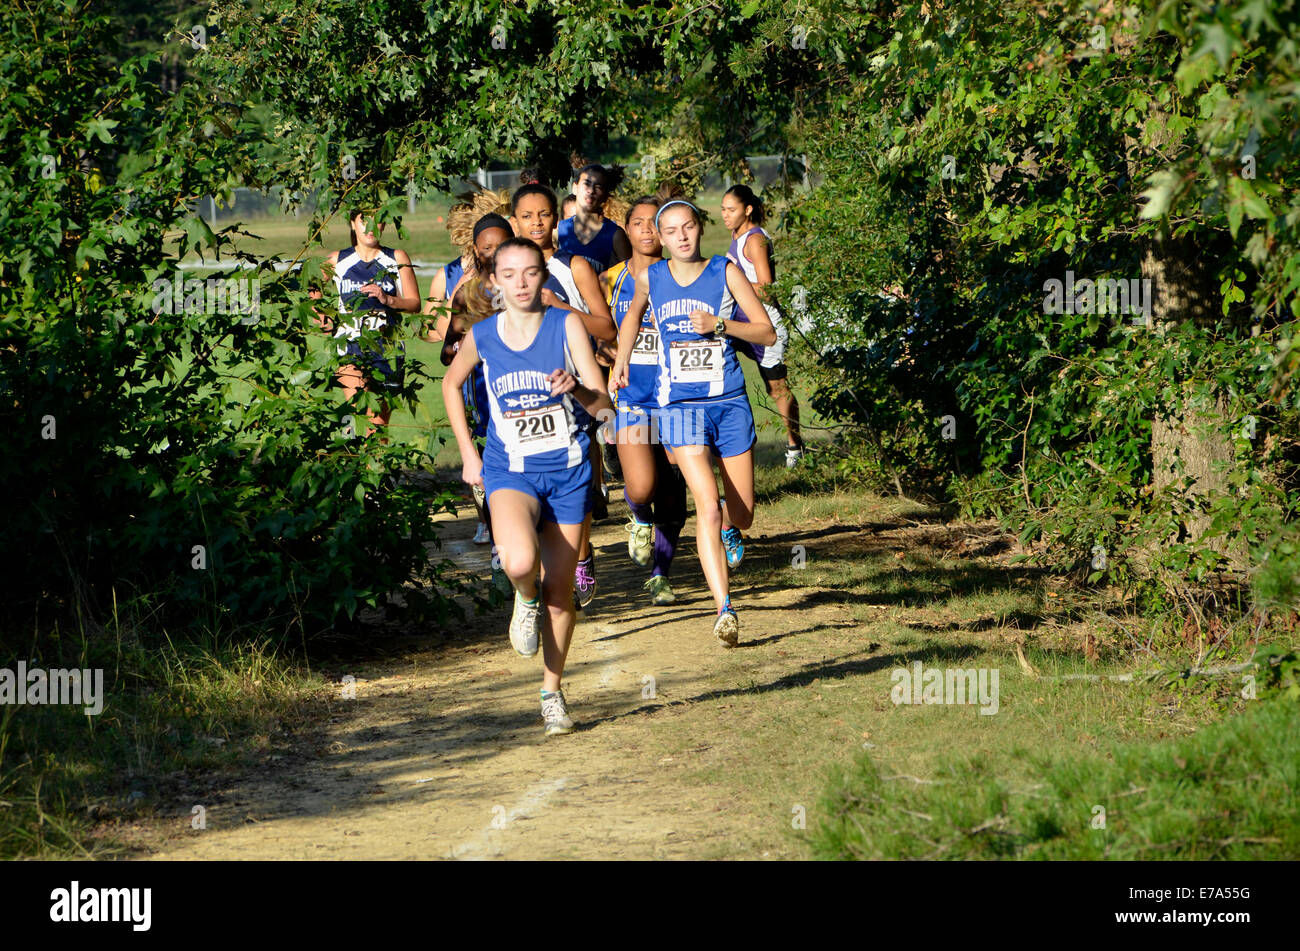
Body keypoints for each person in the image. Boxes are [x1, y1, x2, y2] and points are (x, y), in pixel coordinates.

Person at [442, 237, 613, 736]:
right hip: (509, 468)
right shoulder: (485, 334)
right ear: (493, 281)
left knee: (561, 591)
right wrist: (469, 455)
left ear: (544, 276)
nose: (520, 283)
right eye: (509, 273)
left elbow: (605, 409)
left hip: (568, 471)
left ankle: (552, 692)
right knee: (519, 563)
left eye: (530, 272)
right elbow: (451, 384)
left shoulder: (567, 326)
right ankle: (523, 596)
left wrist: (577, 388)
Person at [611, 195, 776, 646]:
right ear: (661, 238)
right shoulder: (653, 276)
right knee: (705, 502)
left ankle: (729, 527)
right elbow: (630, 320)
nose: (681, 237)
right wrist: (621, 360)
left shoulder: (725, 271)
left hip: (729, 402)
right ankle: (725, 609)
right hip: (678, 407)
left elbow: (767, 331)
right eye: (672, 231)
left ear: (699, 229)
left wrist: (720, 326)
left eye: (689, 227)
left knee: (739, 515)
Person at [510, 181, 617, 612]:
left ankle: (581, 554)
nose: (536, 223)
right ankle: (538, 577)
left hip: (576, 392)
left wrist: (561, 309)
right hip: (524, 395)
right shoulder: (504, 269)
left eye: (545, 215)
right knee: (529, 487)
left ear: (557, 218)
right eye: (527, 216)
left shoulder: (574, 267)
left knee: (580, 486)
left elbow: (606, 328)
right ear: (514, 220)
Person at [604, 193, 687, 605]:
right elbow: (599, 331)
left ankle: (661, 575)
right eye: (639, 222)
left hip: (680, 399)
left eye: (656, 223)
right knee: (642, 484)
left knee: (674, 489)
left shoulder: (688, 274)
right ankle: (638, 518)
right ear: (628, 230)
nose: (648, 230)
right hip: (631, 398)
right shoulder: (611, 279)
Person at [426, 211, 513, 548]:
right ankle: (493, 531)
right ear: (476, 251)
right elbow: (448, 353)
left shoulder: (531, 286)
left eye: (500, 244)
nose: (492, 252)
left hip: (524, 394)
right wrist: (461, 344)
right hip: (482, 392)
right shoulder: (469, 295)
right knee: (487, 463)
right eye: (486, 247)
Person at [721, 184, 804, 467]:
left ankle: (795, 447)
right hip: (741, 321)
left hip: (765, 323)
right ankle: (733, 442)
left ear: (748, 209)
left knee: (777, 388)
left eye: (731, 210)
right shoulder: (738, 235)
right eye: (722, 209)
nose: (725, 215)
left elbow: (768, 289)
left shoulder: (755, 240)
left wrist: (734, 285)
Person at [322, 209, 421, 433]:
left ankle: (373, 466)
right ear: (353, 223)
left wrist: (388, 300)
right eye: (363, 220)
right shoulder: (339, 259)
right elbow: (311, 285)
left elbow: (415, 304)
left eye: (378, 221)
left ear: (384, 226)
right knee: (355, 409)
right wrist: (322, 317)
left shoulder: (396, 257)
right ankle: (350, 458)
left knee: (377, 425)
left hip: (386, 347)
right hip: (350, 344)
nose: (371, 227)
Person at [557, 163, 632, 274]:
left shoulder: (615, 235)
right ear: (575, 188)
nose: (591, 191)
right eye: (586, 183)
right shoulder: (558, 230)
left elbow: (629, 279)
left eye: (598, 187)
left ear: (606, 195)